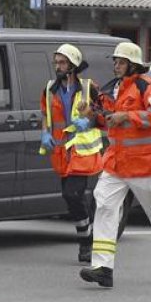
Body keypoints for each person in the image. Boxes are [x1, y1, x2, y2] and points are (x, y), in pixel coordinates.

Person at [80, 42, 151, 289]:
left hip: (142, 165)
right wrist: (92, 116)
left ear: (133, 65)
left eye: (120, 62)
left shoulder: (146, 87)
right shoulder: (114, 90)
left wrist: (128, 115)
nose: (116, 66)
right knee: (104, 205)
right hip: (116, 163)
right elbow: (108, 123)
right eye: (115, 62)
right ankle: (103, 267)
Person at [39, 44, 103, 264]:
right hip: (62, 151)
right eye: (56, 62)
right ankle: (89, 233)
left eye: (62, 62)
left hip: (83, 151)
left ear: (73, 65)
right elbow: (45, 115)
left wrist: (90, 120)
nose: (57, 67)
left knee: (72, 194)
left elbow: (104, 112)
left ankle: (86, 243)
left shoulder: (89, 88)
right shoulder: (50, 89)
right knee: (70, 197)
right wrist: (45, 134)